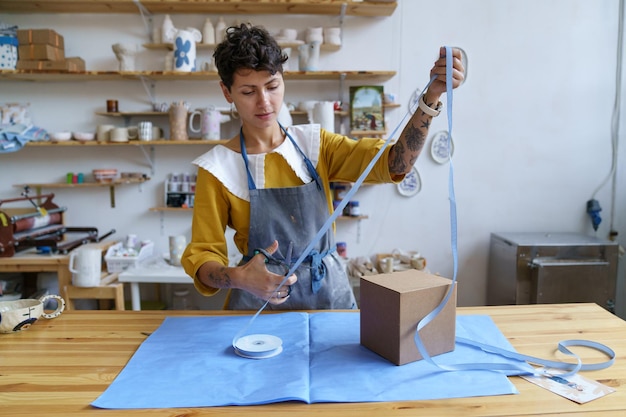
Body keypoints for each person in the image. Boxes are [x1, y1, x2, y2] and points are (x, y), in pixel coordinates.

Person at [181, 24, 465, 310]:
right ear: (227, 92)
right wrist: (240, 278)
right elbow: (203, 257)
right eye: (247, 91)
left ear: (283, 80)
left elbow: (397, 162)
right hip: (258, 308)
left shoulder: (315, 145)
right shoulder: (218, 167)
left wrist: (432, 98)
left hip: (329, 299)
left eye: (272, 86)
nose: (264, 102)